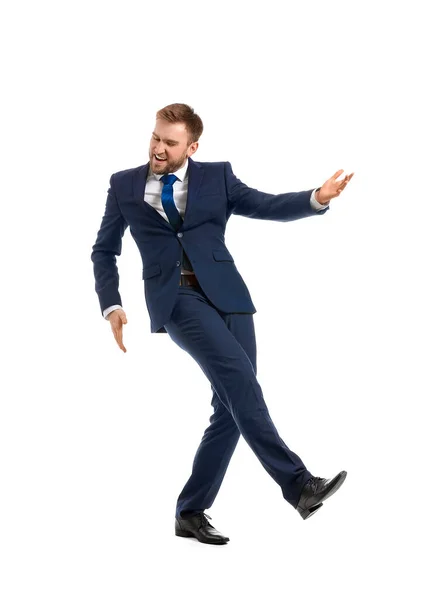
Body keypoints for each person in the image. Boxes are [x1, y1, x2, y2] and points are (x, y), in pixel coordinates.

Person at [91, 103, 354, 545]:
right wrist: (110, 305)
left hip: (231, 298)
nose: (158, 148)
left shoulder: (217, 176)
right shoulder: (123, 185)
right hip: (176, 300)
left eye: (169, 142)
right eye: (155, 137)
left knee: (230, 410)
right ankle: (299, 484)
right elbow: (104, 250)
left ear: (191, 146)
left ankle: (189, 512)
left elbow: (264, 204)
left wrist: (316, 199)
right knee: (241, 383)